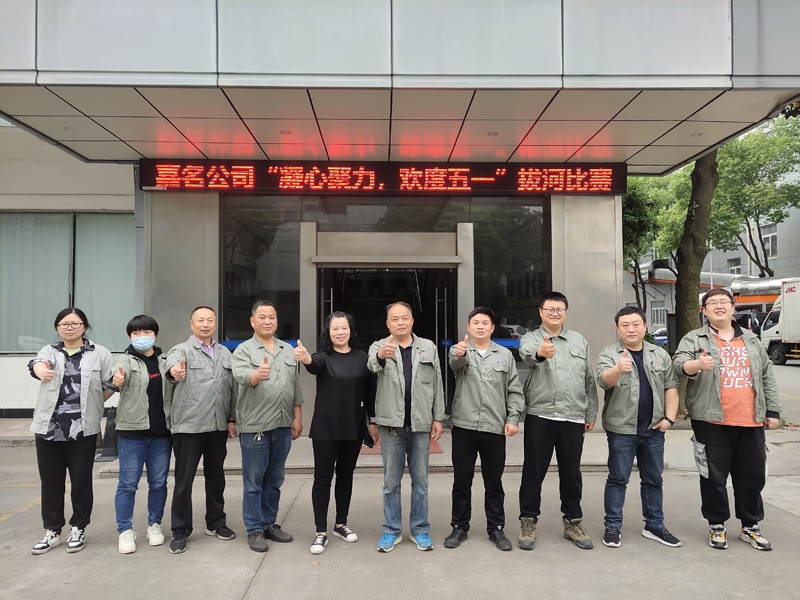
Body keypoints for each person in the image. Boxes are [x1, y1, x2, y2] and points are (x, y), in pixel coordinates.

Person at [673, 288, 781, 551]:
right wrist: (697, 365)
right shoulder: (694, 338)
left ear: (733, 307)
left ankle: (750, 526)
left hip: (750, 419)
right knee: (712, 477)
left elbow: (766, 375)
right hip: (710, 420)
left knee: (752, 477)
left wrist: (773, 411)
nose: (719, 306)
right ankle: (716, 524)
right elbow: (679, 364)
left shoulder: (752, 340)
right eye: (712, 303)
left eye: (724, 302)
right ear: (704, 310)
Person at [28, 308, 114, 555]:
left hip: (82, 429)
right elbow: (36, 364)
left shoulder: (100, 353)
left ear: (84, 326)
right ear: (57, 328)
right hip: (49, 428)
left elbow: (109, 385)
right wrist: (40, 370)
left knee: (81, 481)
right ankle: (52, 530)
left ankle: (78, 528)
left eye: (75, 323)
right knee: (51, 482)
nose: (69, 327)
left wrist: (94, 404)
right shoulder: (49, 351)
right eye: (64, 324)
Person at [517, 291, 598, 550]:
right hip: (540, 415)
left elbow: (588, 378)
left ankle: (573, 522)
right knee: (533, 472)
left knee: (571, 473)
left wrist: (590, 412)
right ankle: (528, 521)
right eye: (549, 309)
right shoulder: (531, 338)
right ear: (540, 312)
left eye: (559, 309)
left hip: (573, 416)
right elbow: (528, 353)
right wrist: (541, 352)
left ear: (565, 311)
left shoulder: (578, 340)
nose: (554, 313)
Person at [595, 307, 680, 549]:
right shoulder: (610, 353)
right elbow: (603, 381)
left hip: (654, 429)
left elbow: (671, 386)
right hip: (621, 429)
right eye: (625, 325)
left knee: (653, 480)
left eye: (635, 324)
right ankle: (613, 526)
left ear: (644, 326)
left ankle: (654, 525)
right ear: (617, 328)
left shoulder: (659, 354)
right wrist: (617, 369)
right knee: (618, 479)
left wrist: (669, 419)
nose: (631, 329)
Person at [294, 311, 377, 555]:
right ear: (328, 333)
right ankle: (320, 531)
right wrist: (306, 358)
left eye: (344, 328)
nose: (340, 332)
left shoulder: (362, 358)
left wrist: (372, 421)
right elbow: (313, 366)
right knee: (322, 479)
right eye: (335, 328)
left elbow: (370, 392)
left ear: (351, 330)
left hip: (353, 427)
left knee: (345, 477)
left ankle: (341, 524)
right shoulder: (323, 357)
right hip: (325, 429)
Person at [445, 307, 525, 552]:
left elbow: (514, 389)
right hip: (464, 426)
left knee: (494, 481)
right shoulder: (459, 350)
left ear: (492, 328)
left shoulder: (505, 355)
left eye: (485, 323)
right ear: (468, 327)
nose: (480, 326)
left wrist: (513, 418)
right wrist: (459, 353)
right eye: (475, 323)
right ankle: (459, 527)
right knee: (462, 480)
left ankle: (496, 528)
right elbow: (455, 363)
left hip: (494, 426)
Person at [367, 301, 445, 553]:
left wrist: (438, 417)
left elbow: (437, 382)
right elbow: (372, 365)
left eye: (404, 318)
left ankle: (420, 530)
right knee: (391, 482)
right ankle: (391, 531)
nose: (400, 322)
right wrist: (382, 355)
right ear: (387, 324)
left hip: (420, 424)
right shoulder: (379, 346)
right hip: (392, 426)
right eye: (394, 319)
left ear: (412, 321)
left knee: (421, 481)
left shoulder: (428, 347)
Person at [231, 300, 303, 553]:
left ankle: (269, 523)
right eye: (262, 317)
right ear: (253, 321)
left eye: (271, 316)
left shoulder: (287, 349)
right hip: (255, 426)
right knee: (254, 481)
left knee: (275, 479)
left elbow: (295, 386)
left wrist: (297, 417)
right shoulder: (243, 350)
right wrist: (256, 375)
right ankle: (254, 529)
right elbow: (241, 376)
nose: (267, 321)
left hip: (282, 425)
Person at [164, 306, 237, 554]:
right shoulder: (181, 350)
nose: (205, 324)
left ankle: (216, 523)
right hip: (189, 426)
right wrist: (174, 371)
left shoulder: (225, 352)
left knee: (216, 477)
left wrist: (231, 418)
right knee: (184, 481)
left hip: (217, 425)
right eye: (200, 320)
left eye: (210, 320)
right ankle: (180, 529)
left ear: (215, 324)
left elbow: (232, 388)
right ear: (191, 324)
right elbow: (171, 368)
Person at [110, 315, 172, 554]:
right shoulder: (123, 359)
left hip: (161, 434)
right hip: (132, 433)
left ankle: (154, 525)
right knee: (128, 484)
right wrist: (117, 379)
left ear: (155, 335)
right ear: (130, 337)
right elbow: (116, 375)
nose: (141, 337)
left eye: (146, 332)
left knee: (158, 482)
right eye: (136, 333)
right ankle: (125, 530)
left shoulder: (164, 360)